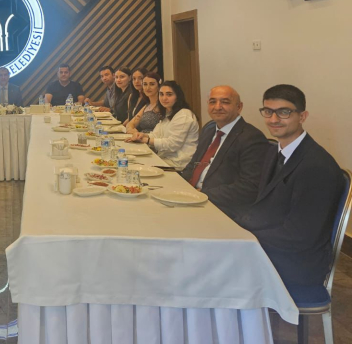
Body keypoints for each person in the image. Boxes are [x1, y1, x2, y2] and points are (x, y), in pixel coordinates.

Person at [238, 85, 345, 291]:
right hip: (275, 247)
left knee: (214, 271)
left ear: (302, 116)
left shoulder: (316, 166)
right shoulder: (275, 150)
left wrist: (245, 235)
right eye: (268, 111)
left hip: (297, 264)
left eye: (284, 112)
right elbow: (264, 206)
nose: (274, 119)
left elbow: (300, 235)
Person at [180, 86, 269, 219]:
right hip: (192, 198)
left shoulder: (252, 138)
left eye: (225, 102)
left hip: (221, 207)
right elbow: (193, 165)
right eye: (212, 102)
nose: (217, 107)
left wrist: (202, 194)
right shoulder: (209, 130)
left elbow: (249, 187)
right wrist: (179, 185)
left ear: (239, 107)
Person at [128, 81, 199, 170]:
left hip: (178, 164)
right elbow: (156, 135)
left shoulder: (184, 114)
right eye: (161, 94)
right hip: (165, 159)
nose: (164, 98)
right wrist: (142, 135)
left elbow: (172, 144)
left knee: (135, 167)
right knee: (131, 161)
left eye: (169, 94)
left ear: (177, 96)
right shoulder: (168, 113)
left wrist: (147, 140)